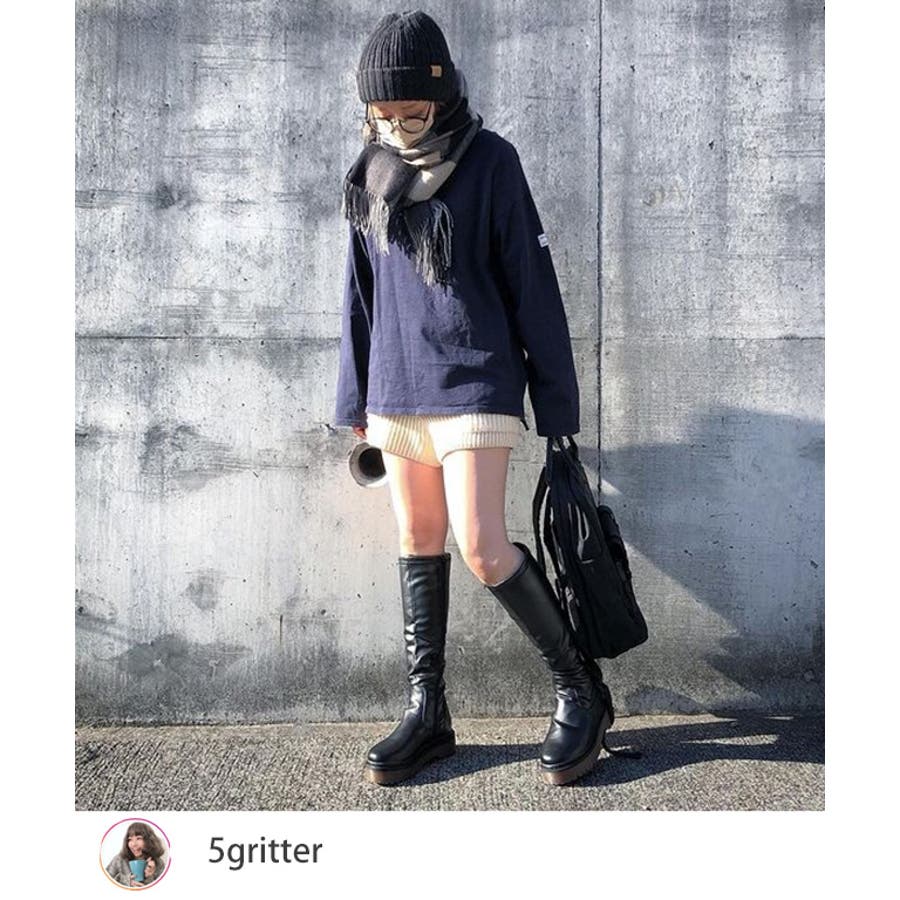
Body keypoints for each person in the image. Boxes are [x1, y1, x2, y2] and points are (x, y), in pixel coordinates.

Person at [335, 9, 614, 786]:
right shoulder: (369, 171)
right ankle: (429, 712)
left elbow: (533, 285)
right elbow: (359, 293)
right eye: (382, 116)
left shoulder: (492, 162)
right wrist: (354, 397)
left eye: (412, 114)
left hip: (476, 382)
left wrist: (557, 408)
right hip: (396, 388)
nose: (396, 129)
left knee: (483, 546)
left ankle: (581, 691)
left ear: (445, 96)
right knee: (417, 536)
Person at [105, 821, 166, 887]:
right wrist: (126, 881)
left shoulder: (159, 863)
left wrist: (150, 877)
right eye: (130, 839)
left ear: (149, 840)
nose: (133, 844)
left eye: (138, 838)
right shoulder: (119, 859)